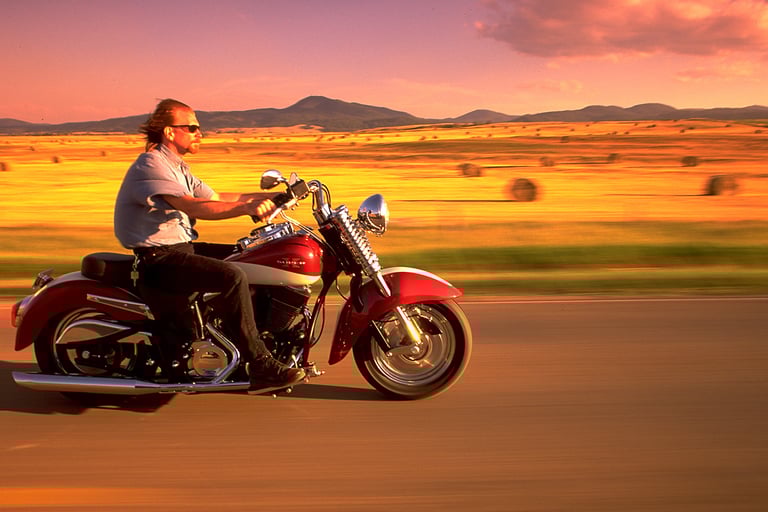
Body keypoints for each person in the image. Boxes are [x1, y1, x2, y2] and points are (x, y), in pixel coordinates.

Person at [114, 98, 305, 391]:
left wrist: (269, 198)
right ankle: (260, 364)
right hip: (159, 259)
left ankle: (236, 341)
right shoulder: (151, 165)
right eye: (190, 127)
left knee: (249, 255)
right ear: (169, 132)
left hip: (180, 248)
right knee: (233, 276)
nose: (198, 133)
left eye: (198, 128)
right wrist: (246, 209)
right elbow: (195, 207)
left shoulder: (177, 166)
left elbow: (216, 198)